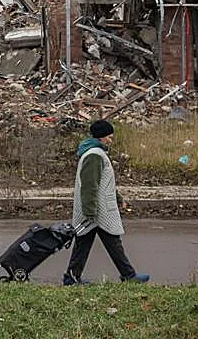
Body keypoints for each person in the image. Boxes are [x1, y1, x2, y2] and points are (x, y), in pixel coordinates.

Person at [64, 119, 150, 285]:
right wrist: (89, 212)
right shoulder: (94, 155)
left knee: (87, 244)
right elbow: (90, 185)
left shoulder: (96, 153)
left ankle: (72, 277)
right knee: (112, 242)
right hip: (97, 210)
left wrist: (119, 199)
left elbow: (105, 183)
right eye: (109, 137)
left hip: (97, 209)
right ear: (101, 138)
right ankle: (129, 275)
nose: (111, 140)